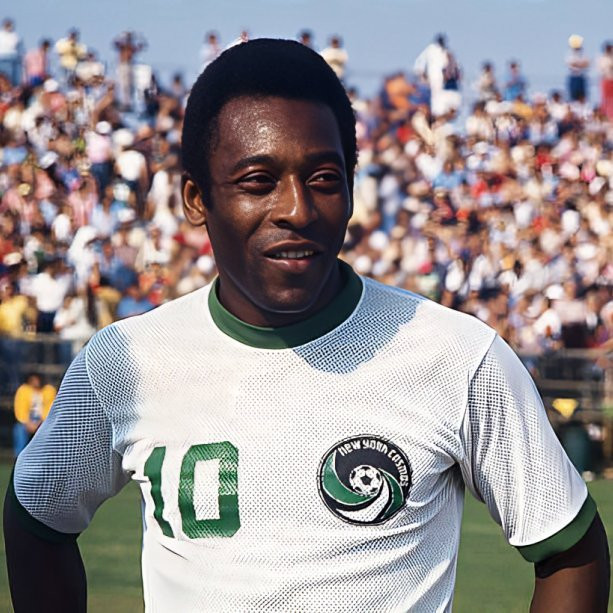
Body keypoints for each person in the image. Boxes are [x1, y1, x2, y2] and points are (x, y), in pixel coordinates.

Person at [4, 39, 610, 613]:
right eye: (258, 182)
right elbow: (37, 518)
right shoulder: (126, 361)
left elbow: (569, 548)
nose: (297, 209)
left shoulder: (456, 354)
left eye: (323, 178)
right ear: (196, 199)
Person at [12, 373, 55, 457]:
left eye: (37, 379)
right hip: (27, 421)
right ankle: (19, 457)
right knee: (19, 429)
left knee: (49, 431)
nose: (35, 382)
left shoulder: (49, 390)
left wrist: (40, 423)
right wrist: (27, 423)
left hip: (43, 422)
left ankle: (45, 457)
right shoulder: (23, 390)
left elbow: (50, 409)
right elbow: (20, 409)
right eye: (33, 380)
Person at [566, 34, 590, 102]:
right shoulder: (569, 53)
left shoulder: (583, 53)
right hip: (573, 76)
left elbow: (587, 63)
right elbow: (571, 64)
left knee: (583, 95)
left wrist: (578, 64)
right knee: (573, 95)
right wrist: (580, 64)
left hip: (581, 76)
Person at [0, 18, 22, 87]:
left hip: (13, 57)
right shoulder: (1, 35)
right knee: (4, 77)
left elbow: (19, 48)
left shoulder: (15, 36)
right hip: (2, 58)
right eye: (7, 25)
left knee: (13, 78)